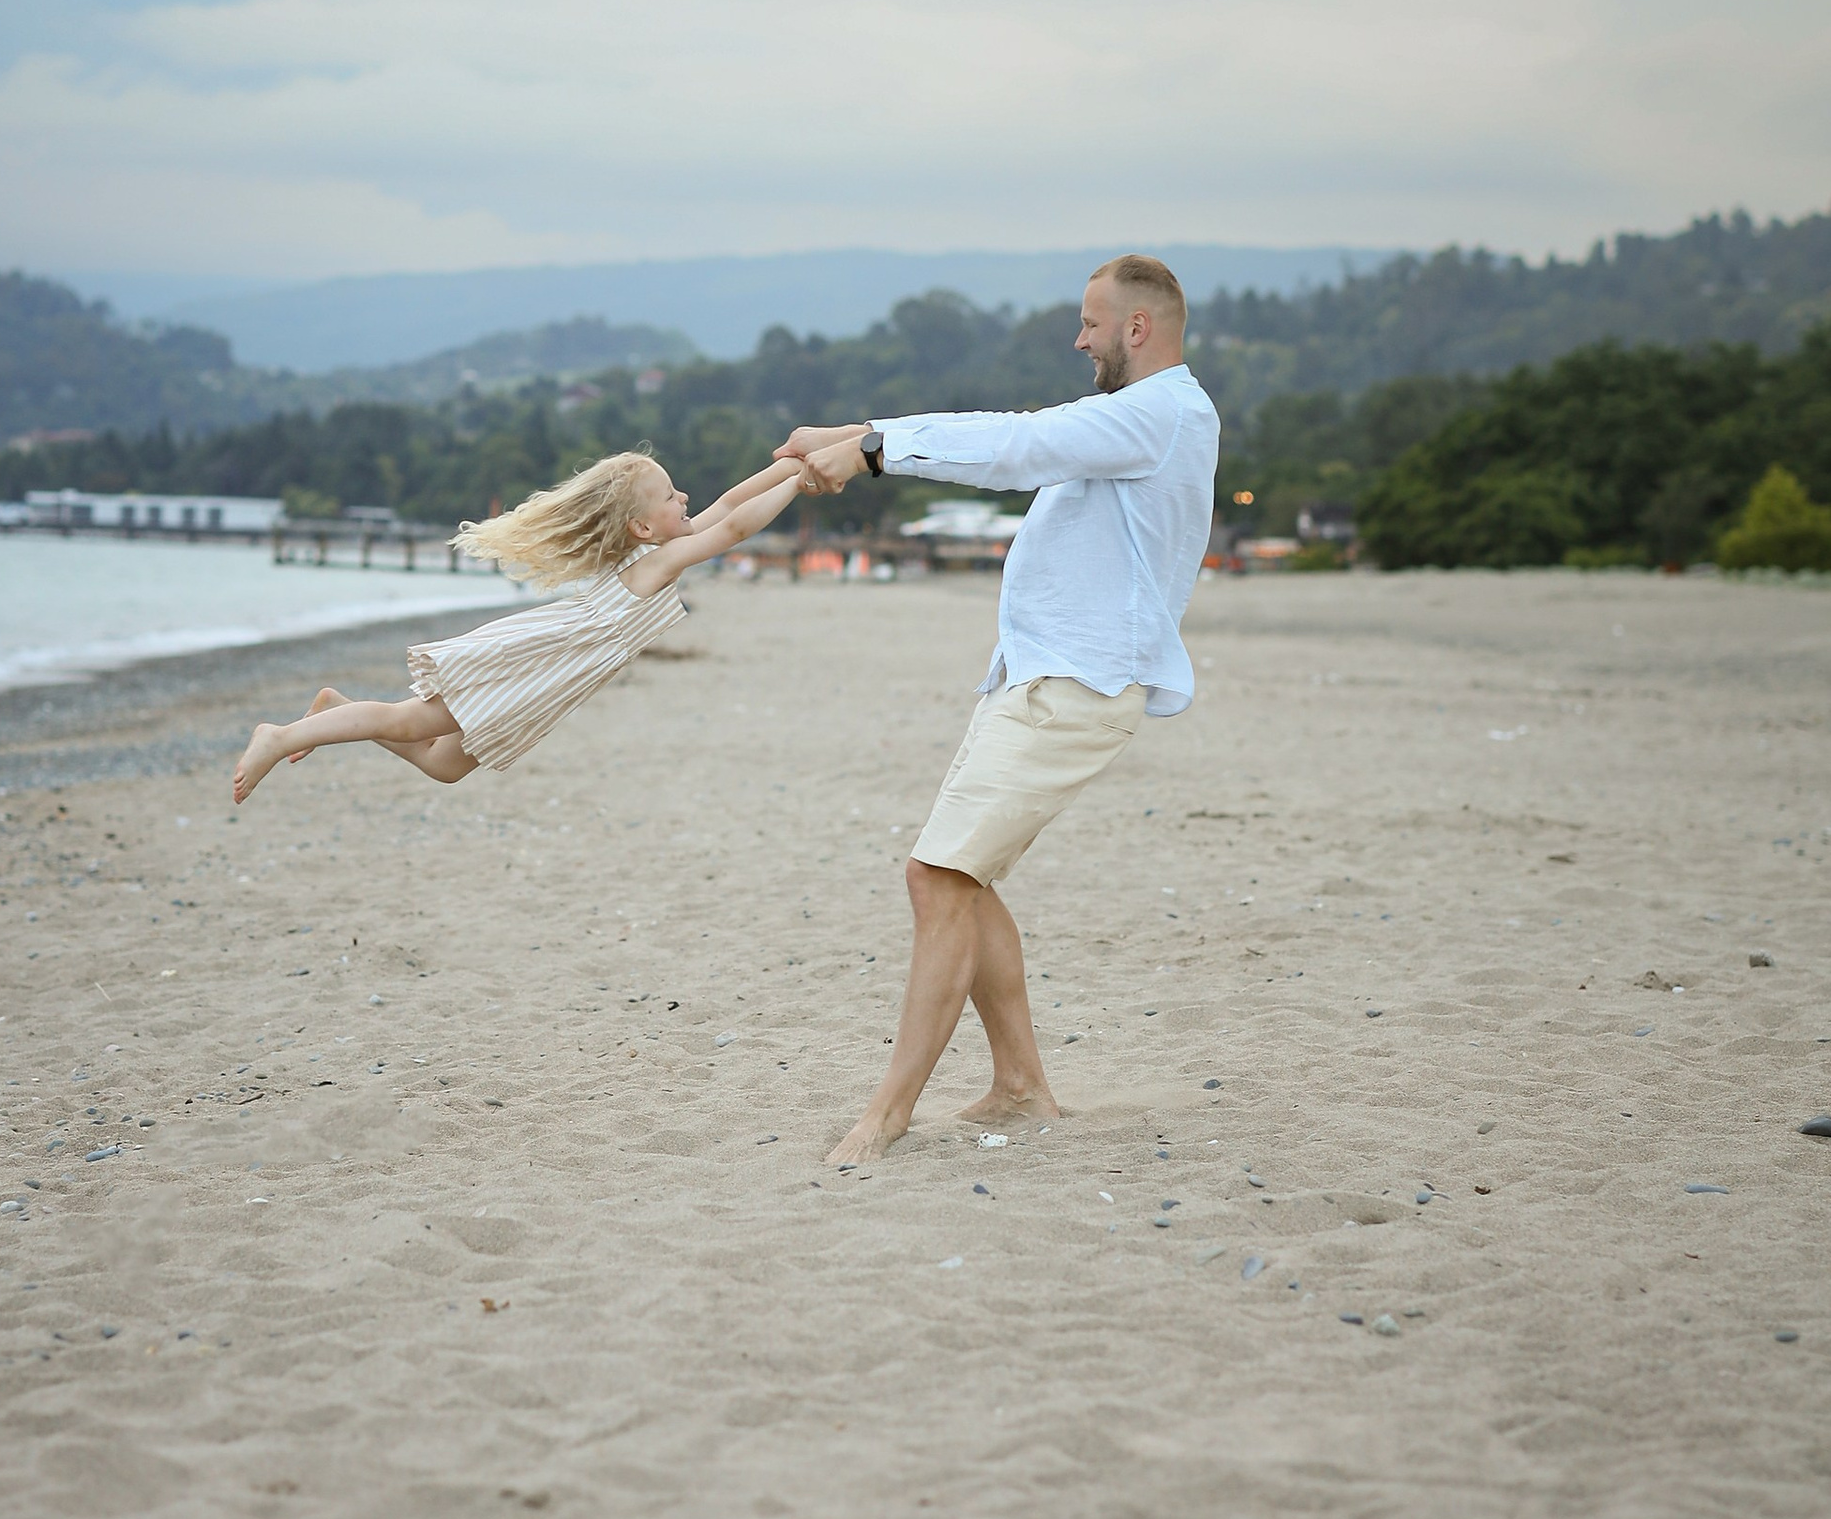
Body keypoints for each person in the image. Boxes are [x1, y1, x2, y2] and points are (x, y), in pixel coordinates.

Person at [781, 254, 1218, 1165]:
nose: (1080, 338)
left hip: (1075, 688)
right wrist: (865, 430)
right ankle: (1020, 1086)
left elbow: (1016, 445)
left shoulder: (1156, 413)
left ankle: (888, 1115)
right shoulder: (1139, 419)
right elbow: (1026, 443)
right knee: (960, 881)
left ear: (1137, 328)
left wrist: (874, 448)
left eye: (1091, 323)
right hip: (1041, 682)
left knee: (936, 878)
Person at [231, 449, 805, 806]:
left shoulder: (656, 547)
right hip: (534, 663)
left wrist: (794, 462)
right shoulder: (660, 560)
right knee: (412, 722)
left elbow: (730, 503)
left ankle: (335, 706)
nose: (684, 498)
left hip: (545, 675)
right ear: (640, 527)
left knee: (445, 765)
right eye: (670, 496)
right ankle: (281, 736)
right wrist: (798, 485)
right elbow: (732, 531)